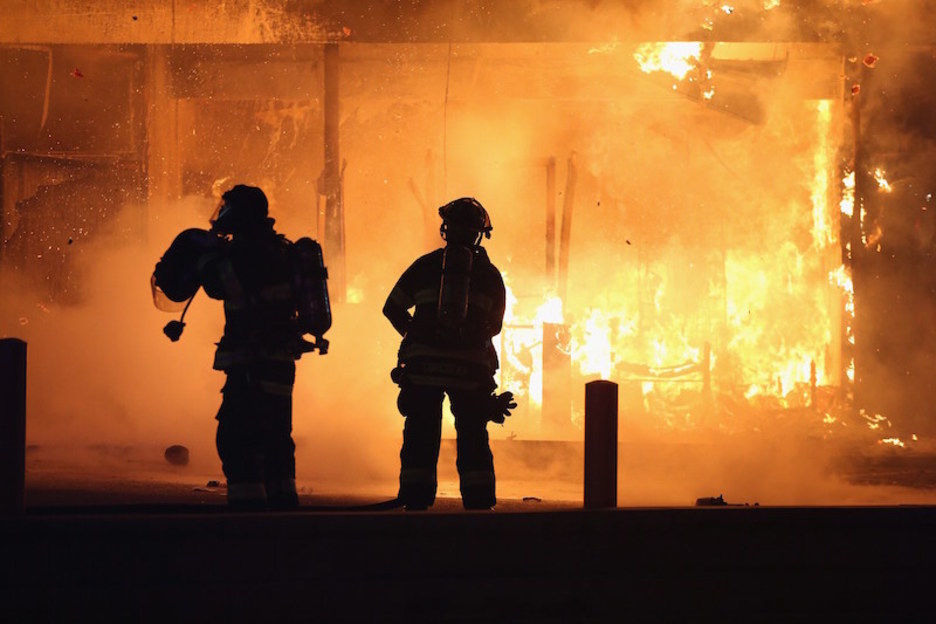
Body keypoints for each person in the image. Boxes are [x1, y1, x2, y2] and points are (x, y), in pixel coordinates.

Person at [152, 184, 330, 511]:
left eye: (227, 208)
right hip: (277, 359)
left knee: (236, 436)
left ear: (240, 214)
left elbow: (225, 288)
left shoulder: (248, 253)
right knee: (276, 435)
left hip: (252, 358)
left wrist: (206, 260)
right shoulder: (280, 249)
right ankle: (282, 505)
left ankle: (248, 513)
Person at [383, 197, 515, 510]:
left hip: (424, 368)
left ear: (446, 228)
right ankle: (479, 500)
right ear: (478, 233)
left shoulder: (425, 265)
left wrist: (416, 334)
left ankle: (416, 498)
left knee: (421, 433)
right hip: (470, 372)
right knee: (472, 435)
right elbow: (494, 327)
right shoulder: (490, 275)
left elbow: (392, 307)